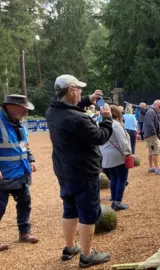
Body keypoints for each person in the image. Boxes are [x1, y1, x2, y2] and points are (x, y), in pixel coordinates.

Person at [46, 74, 113, 268]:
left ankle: (69, 248)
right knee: (88, 213)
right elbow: (100, 137)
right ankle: (87, 255)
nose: (82, 92)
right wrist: (107, 119)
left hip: (64, 171)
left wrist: (86, 100)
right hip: (83, 172)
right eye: (80, 89)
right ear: (72, 90)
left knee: (70, 209)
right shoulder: (78, 119)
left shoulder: (52, 111)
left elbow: (68, 108)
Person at [0, 95, 38, 253]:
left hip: (20, 171)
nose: (25, 111)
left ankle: (24, 232)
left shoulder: (19, 122)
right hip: (1, 174)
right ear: (10, 107)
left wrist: (30, 159)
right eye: (23, 108)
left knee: (25, 202)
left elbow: (24, 145)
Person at [100, 105, 131, 211]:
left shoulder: (102, 124)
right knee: (122, 179)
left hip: (106, 156)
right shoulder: (116, 125)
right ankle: (117, 202)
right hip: (118, 155)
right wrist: (127, 153)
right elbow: (123, 141)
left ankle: (114, 200)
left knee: (113, 178)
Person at [144, 100, 160, 175]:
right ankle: (156, 168)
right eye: (159, 107)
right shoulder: (151, 112)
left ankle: (151, 167)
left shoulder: (152, 111)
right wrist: (155, 134)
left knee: (151, 151)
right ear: (155, 104)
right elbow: (150, 124)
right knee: (155, 151)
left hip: (149, 135)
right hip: (152, 135)